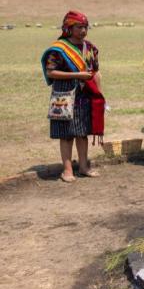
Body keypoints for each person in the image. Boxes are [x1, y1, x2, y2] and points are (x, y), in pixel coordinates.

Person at [41, 10, 103, 182]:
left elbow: (95, 72)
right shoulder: (59, 49)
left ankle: (83, 167)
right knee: (66, 134)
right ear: (68, 27)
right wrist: (77, 75)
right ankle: (67, 170)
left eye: (85, 27)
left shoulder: (90, 48)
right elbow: (51, 72)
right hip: (64, 95)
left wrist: (100, 93)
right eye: (79, 27)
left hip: (85, 95)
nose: (83, 30)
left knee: (83, 133)